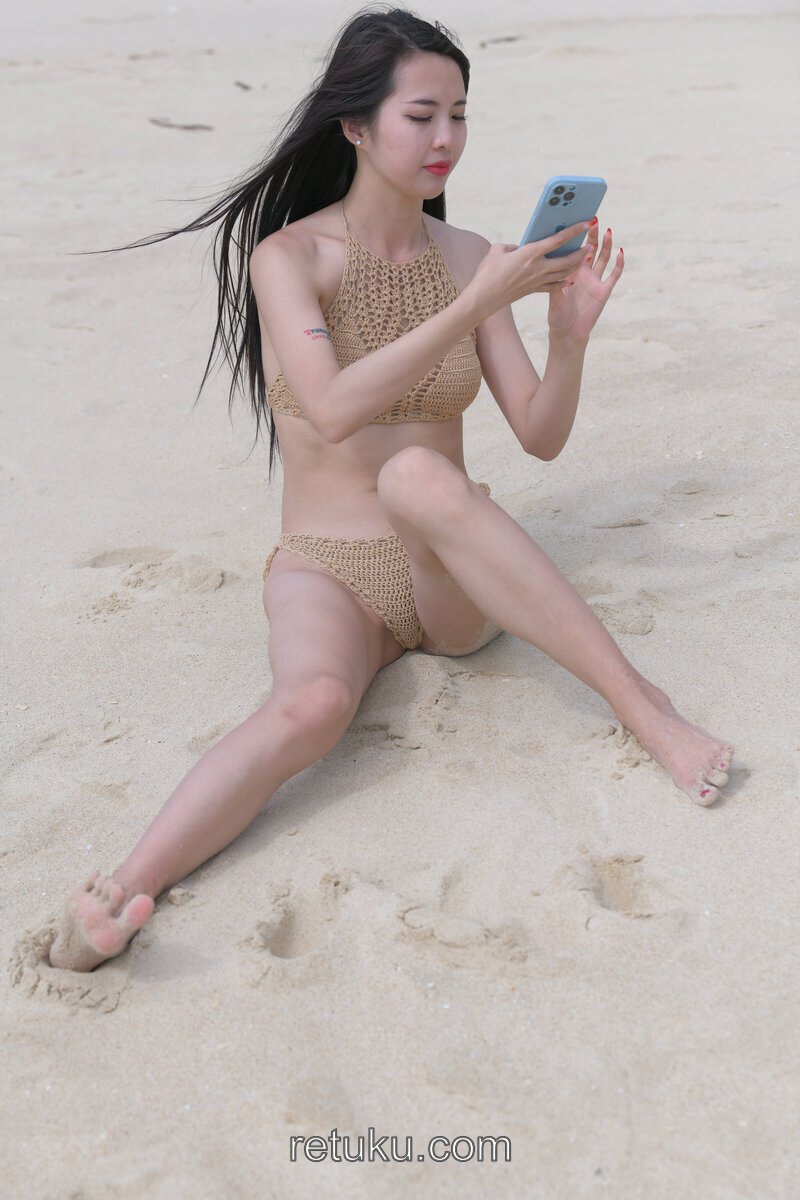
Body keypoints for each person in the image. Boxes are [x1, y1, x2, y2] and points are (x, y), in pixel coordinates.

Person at [49, 7, 734, 973]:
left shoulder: (471, 257)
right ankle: (121, 894)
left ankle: (646, 708)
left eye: (460, 114)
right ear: (356, 126)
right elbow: (331, 409)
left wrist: (567, 338)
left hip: (445, 573)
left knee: (417, 473)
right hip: (326, 567)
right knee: (312, 703)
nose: (446, 138)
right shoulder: (290, 260)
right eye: (421, 116)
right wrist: (477, 303)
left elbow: (539, 436)